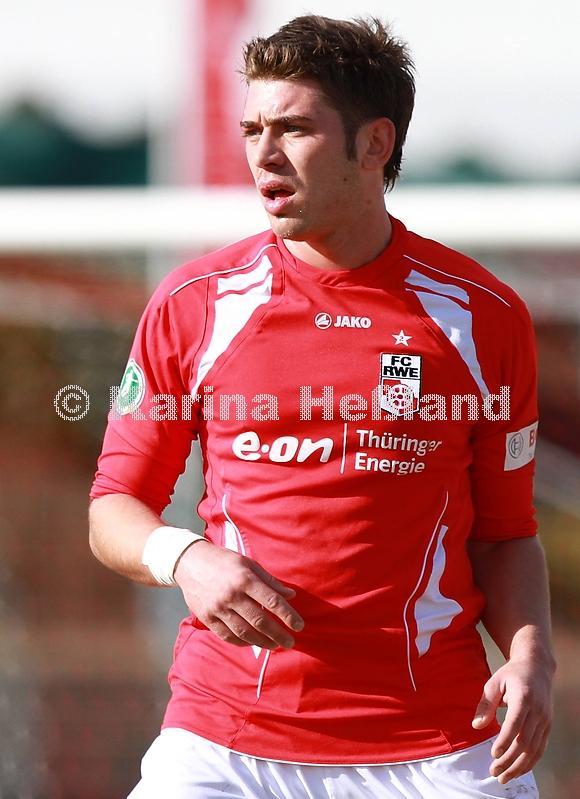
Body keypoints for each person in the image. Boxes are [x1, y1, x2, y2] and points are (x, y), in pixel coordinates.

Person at [89, 15, 555, 799]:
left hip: (436, 743)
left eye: (294, 129)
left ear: (374, 145)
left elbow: (506, 534)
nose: (264, 154)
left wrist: (531, 654)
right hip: (224, 740)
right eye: (252, 130)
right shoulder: (195, 302)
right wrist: (185, 558)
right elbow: (114, 506)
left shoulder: (482, 316)